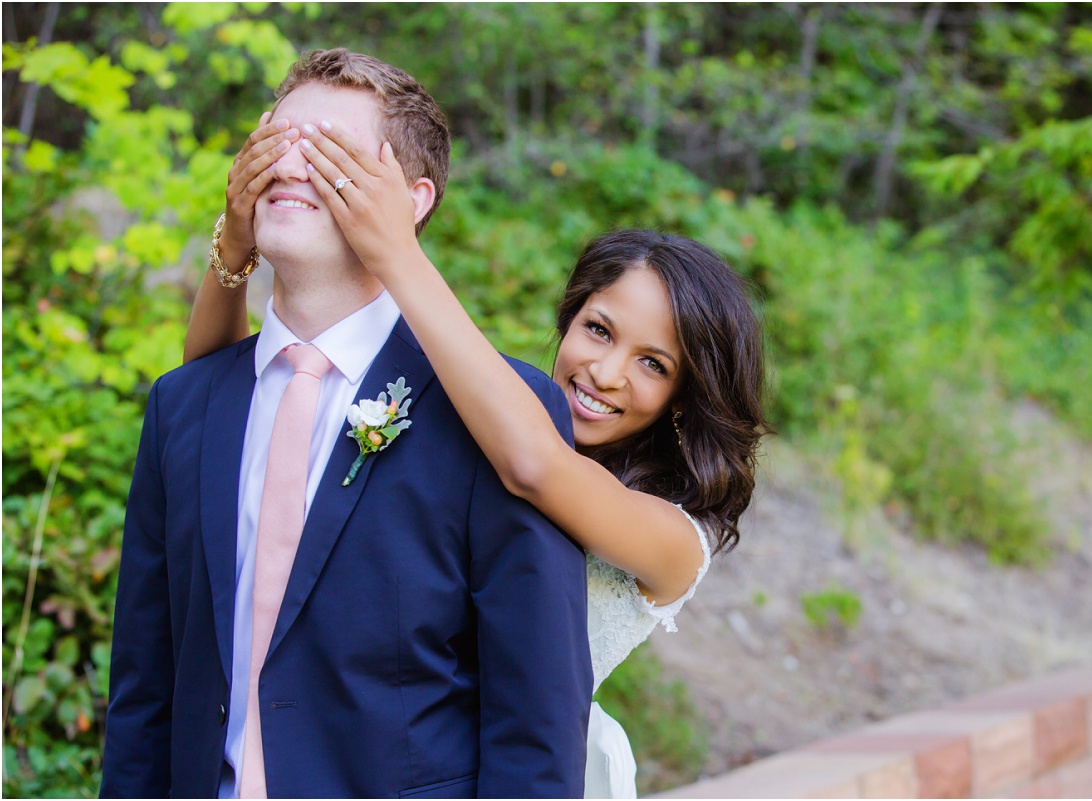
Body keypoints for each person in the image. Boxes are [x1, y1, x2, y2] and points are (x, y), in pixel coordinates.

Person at [183, 78, 769, 795]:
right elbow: (220, 414)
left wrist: (397, 251)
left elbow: (538, 468)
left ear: (685, 398)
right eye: (597, 329)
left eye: (653, 364)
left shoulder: (673, 541)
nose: (606, 371)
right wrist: (235, 247)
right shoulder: (476, 425)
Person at [100, 49, 593, 799]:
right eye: (275, 139)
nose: (290, 165)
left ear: (414, 200)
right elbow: (145, 691)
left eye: (329, 148)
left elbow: (536, 722)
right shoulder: (184, 404)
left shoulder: (495, 413)